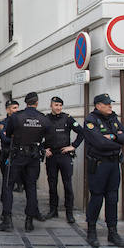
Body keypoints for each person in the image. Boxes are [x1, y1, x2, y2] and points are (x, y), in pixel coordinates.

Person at [81, 93, 124, 248]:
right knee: (96, 197)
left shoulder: (113, 119)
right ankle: (91, 231)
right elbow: (99, 143)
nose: (110, 106)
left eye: (110, 103)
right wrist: (117, 140)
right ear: (98, 106)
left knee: (112, 198)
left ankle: (112, 232)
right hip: (99, 164)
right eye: (107, 104)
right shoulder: (91, 120)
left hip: (114, 164)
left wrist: (113, 137)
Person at [0, 92, 48, 232]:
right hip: (34, 156)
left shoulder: (17, 117)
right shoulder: (43, 118)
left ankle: (7, 220)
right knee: (31, 187)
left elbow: (9, 132)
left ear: (26, 103)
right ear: (37, 103)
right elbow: (47, 136)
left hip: (17, 155)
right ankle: (29, 221)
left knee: (8, 186)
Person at [44, 96, 84, 224]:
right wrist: (44, 149)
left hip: (64, 155)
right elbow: (36, 135)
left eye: (60, 105)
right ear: (51, 106)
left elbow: (81, 132)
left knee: (68, 185)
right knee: (52, 185)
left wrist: (73, 146)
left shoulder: (67, 118)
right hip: (52, 156)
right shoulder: (45, 119)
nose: (58, 108)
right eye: (56, 105)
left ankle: (69, 213)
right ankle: (53, 210)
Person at [0, 99, 22, 194]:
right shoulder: (2, 124)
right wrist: (17, 138)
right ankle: (4, 198)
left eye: (17, 108)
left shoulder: (21, 122)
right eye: (14, 108)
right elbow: (5, 139)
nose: (16, 110)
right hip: (6, 154)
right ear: (8, 110)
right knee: (6, 180)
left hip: (18, 154)